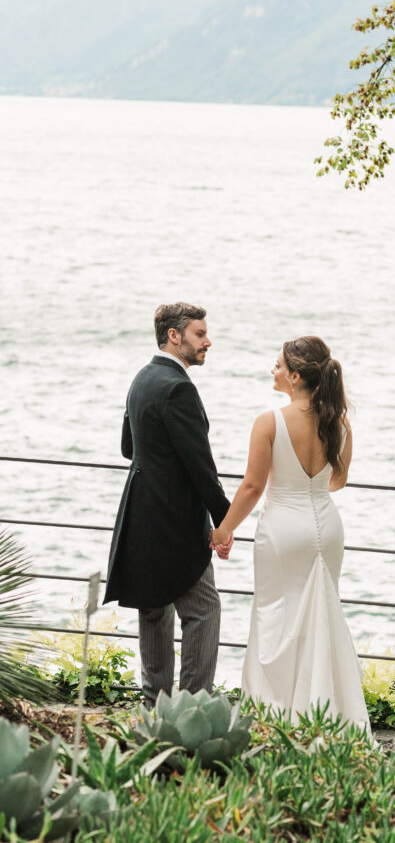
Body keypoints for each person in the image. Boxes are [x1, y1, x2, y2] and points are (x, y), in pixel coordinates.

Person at [210, 335, 370, 730]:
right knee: (321, 618)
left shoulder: (270, 422)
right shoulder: (340, 422)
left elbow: (252, 487)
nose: (273, 370)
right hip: (327, 526)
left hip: (283, 528)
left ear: (296, 376)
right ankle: (325, 719)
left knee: (275, 622)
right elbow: (338, 481)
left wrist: (222, 531)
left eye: (279, 365)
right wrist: (309, 490)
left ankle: (276, 719)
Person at [104, 302, 234, 707]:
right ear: (174, 336)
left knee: (155, 608)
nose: (207, 341)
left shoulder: (142, 378)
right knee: (203, 609)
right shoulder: (179, 388)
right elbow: (201, 468)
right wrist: (226, 522)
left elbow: (129, 448)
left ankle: (153, 706)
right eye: (199, 334)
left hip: (140, 513)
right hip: (174, 520)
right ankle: (192, 707)